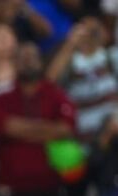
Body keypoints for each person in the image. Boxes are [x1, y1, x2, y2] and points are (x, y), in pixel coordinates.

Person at [0, 41, 76, 196]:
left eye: (32, 57)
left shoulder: (56, 95)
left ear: (41, 62)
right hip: (12, 190)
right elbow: (6, 127)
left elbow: (66, 129)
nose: (28, 61)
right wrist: (48, 130)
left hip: (51, 189)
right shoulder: (1, 99)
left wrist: (22, 130)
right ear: (15, 63)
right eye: (23, 58)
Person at [47, 14, 118, 148]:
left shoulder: (111, 57)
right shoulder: (70, 62)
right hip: (83, 139)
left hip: (113, 136)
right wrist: (70, 44)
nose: (90, 35)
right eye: (86, 29)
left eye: (95, 30)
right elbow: (50, 81)